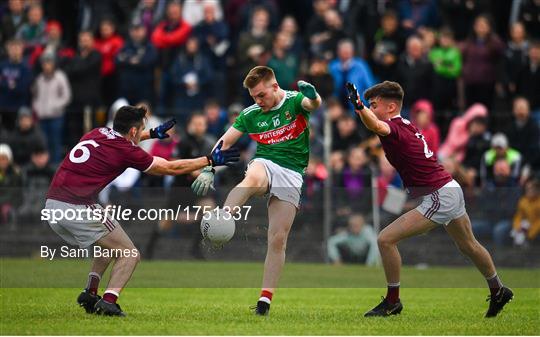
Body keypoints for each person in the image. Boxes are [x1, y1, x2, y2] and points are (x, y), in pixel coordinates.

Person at [43, 105, 239, 317]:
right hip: (77, 205)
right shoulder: (127, 150)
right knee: (130, 254)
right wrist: (209, 160)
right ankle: (109, 301)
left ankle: (91, 292)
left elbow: (124, 140)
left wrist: (152, 134)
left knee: (109, 243)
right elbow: (169, 168)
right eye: (142, 129)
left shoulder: (98, 132)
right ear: (134, 131)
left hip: (53, 204)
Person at [346, 81, 513, 318]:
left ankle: (393, 302)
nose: (371, 109)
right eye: (370, 105)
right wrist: (364, 108)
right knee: (468, 245)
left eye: (375, 105)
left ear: (391, 107)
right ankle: (498, 290)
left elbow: (374, 124)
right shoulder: (405, 124)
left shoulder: (393, 127)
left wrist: (359, 106)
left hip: (439, 194)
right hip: (449, 188)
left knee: (385, 240)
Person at [190, 66, 322, 315]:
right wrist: (210, 168)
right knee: (252, 177)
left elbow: (311, 104)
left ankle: (264, 301)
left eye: (261, 95)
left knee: (278, 239)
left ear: (275, 87)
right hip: (266, 162)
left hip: (292, 173)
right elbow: (225, 141)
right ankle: (224, 218)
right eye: (253, 97)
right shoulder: (251, 113)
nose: (257, 101)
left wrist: (314, 97)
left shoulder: (294, 101)